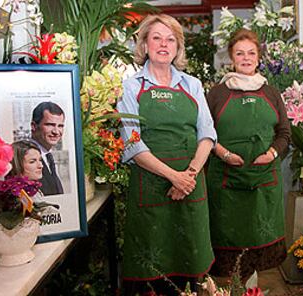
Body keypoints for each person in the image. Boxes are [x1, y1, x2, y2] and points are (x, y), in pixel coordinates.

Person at [117, 14, 217, 296]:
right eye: (156, 38)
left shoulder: (193, 85)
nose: (164, 44)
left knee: (192, 267)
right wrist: (175, 177)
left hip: (191, 186)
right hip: (151, 189)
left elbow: (207, 134)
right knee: (152, 274)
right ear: (145, 44)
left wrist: (190, 176)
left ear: (178, 46)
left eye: (170, 39)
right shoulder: (131, 87)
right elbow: (133, 143)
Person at [206, 29, 291, 281]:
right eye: (239, 53)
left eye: (251, 53)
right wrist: (223, 153)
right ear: (231, 58)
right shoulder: (217, 93)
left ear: (259, 57)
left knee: (260, 256)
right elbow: (204, 133)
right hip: (226, 181)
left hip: (264, 181)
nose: (246, 58)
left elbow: (284, 133)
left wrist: (272, 153)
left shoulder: (272, 93)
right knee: (227, 257)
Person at [9, 140, 59, 210]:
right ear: (16, 164)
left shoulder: (34, 189)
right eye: (32, 162)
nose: (41, 166)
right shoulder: (13, 196)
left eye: (40, 160)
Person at [30, 101, 65, 196]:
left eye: (60, 126)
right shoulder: (25, 157)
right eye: (50, 125)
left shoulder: (47, 155)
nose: (56, 132)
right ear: (33, 126)